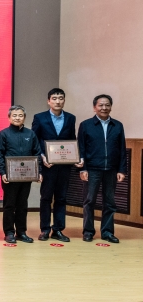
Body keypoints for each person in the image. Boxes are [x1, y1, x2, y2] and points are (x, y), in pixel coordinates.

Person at [31, 88, 79, 242]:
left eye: (61, 98)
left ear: (64, 100)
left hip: (64, 165)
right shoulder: (39, 118)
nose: (58, 101)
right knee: (46, 197)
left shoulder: (71, 118)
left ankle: (58, 229)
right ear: (48, 101)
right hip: (47, 165)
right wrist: (42, 156)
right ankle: (45, 229)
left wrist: (75, 157)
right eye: (54, 98)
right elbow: (34, 140)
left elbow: (72, 139)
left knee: (61, 198)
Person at [78, 94, 127, 243]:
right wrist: (83, 169)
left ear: (111, 107)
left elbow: (122, 149)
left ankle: (107, 232)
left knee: (110, 203)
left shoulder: (118, 125)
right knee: (89, 201)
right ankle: (88, 231)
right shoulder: (86, 125)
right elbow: (81, 148)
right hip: (92, 169)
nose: (104, 108)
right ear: (95, 107)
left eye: (107, 105)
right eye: (100, 105)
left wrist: (122, 170)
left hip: (111, 169)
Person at [0, 105, 42, 243]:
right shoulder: (3, 134)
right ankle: (9, 232)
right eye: (14, 115)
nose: (17, 118)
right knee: (9, 205)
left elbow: (37, 153)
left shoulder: (30, 134)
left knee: (22, 205)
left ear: (24, 118)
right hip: (10, 176)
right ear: (9, 117)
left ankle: (21, 232)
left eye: (20, 115)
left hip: (26, 176)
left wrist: (38, 171)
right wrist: (2, 172)